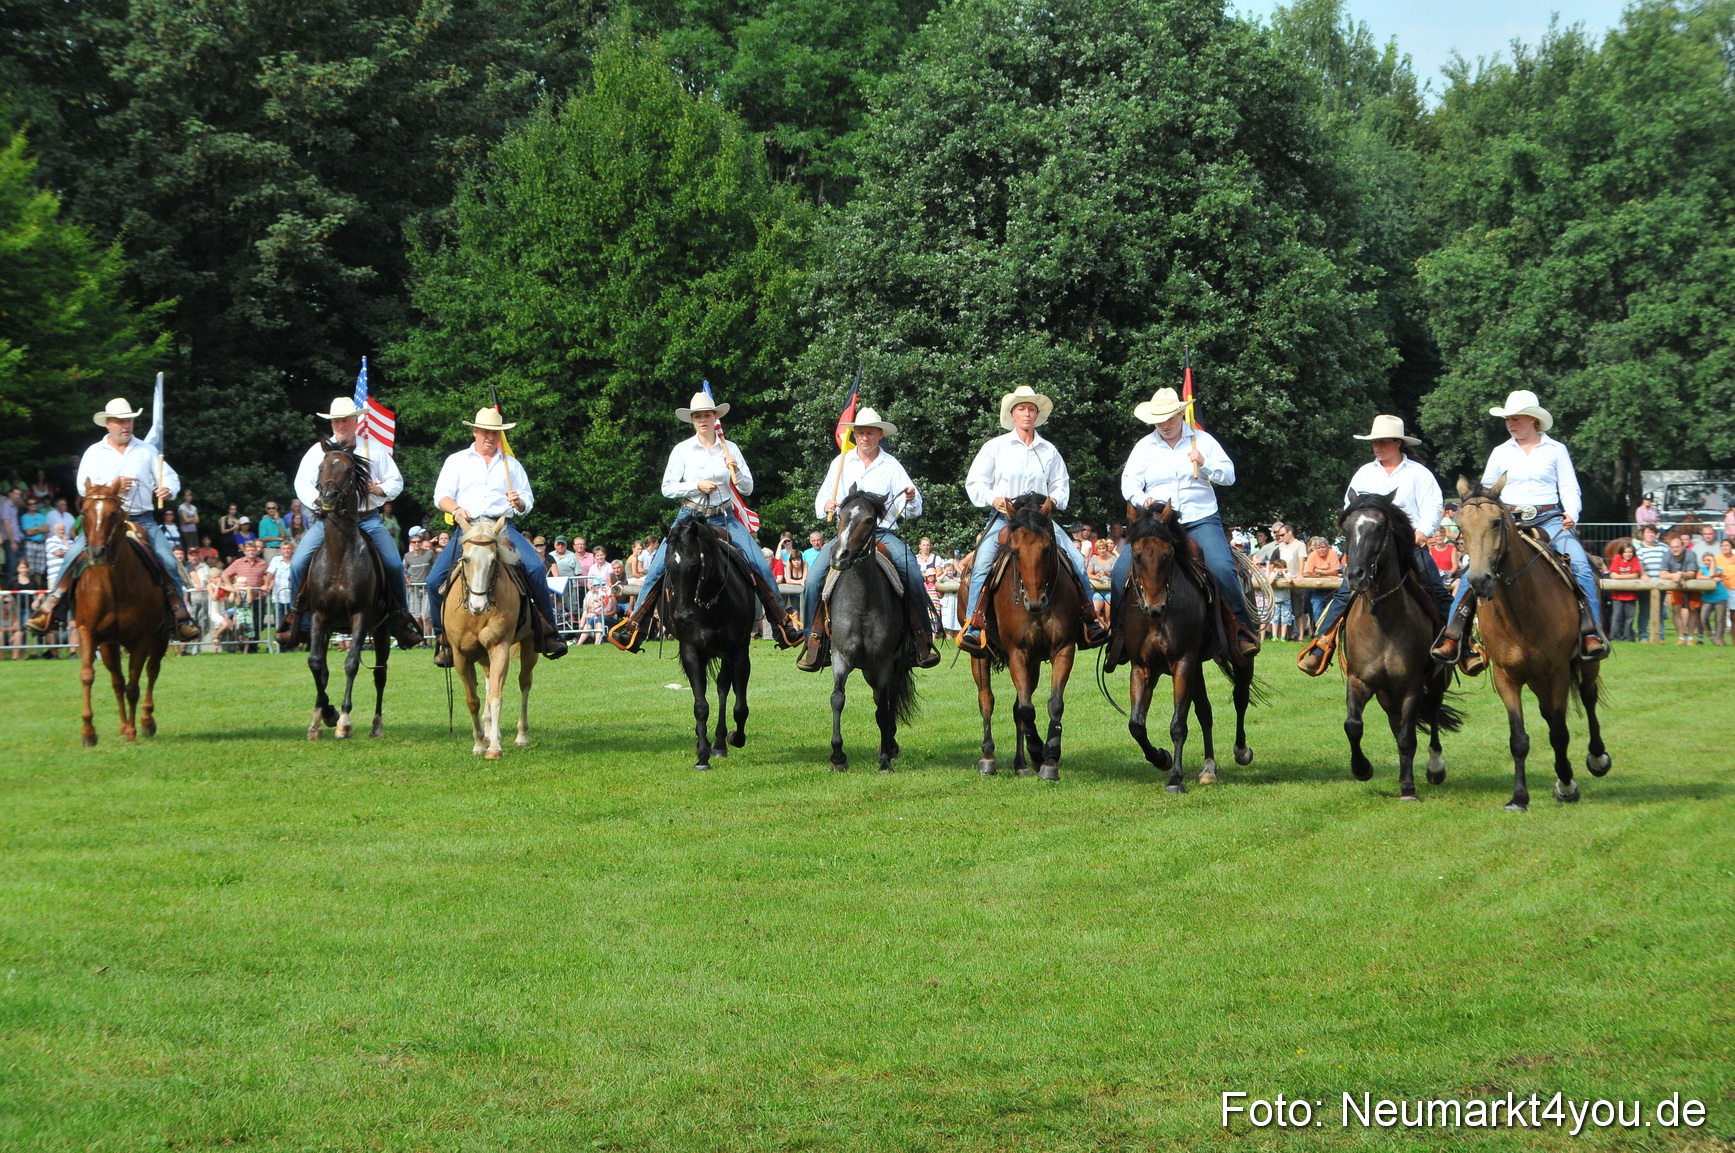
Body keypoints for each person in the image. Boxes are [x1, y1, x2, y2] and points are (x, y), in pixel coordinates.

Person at [609, 391, 802, 651]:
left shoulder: (729, 448)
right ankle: (635, 627)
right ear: (692, 420)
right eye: (697, 416)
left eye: (707, 415)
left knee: (760, 564)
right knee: (657, 567)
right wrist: (695, 485)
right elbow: (667, 488)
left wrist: (736, 472)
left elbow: (747, 488)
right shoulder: (682, 450)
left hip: (725, 516)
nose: (703, 420)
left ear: (715, 418)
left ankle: (782, 624)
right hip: (689, 517)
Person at [1431, 390, 1608, 666]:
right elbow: (1487, 491)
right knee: (1471, 572)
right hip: (1509, 522)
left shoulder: (1556, 449)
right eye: (1507, 420)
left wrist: (1572, 513)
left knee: (1583, 566)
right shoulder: (1500, 451)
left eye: (1515, 419)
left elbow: (1570, 487)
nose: (1510, 424)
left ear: (1532, 420)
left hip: (1550, 520)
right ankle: (1454, 638)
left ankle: (1591, 632)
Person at [26, 398, 201, 641]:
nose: (125, 425)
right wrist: (113, 487)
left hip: (143, 518)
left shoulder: (147, 450)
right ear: (108, 424)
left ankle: (179, 619)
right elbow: (82, 487)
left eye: (128, 420)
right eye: (120, 421)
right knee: (71, 555)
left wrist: (167, 490)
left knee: (169, 561)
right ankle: (51, 611)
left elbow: (170, 478)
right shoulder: (94, 453)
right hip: (104, 521)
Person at [1108, 386, 1259, 664]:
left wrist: (1204, 463)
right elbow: (1128, 483)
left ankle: (1240, 629)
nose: (1164, 424)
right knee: (1119, 572)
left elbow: (1229, 476)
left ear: (1180, 414)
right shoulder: (1144, 447)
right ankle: (1119, 634)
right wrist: (1143, 499)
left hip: (1199, 519)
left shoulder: (1202, 441)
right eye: (1159, 419)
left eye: (1169, 418)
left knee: (1223, 568)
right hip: (1157, 523)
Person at [958, 385, 1108, 655]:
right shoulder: (995, 447)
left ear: (1037, 415)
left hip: (1040, 518)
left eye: (1031, 409)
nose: (1026, 414)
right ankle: (974, 624)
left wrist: (1056, 501)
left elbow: (1062, 485)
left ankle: (1089, 620)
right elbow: (975, 483)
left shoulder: (1049, 450)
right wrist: (994, 499)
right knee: (981, 564)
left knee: (1075, 560)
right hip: (1007, 517)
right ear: (1012, 415)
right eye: (1021, 409)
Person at [1297, 415, 1449, 675]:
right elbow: (1350, 508)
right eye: (1374, 442)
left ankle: (1458, 642)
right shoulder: (1364, 473)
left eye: (1383, 442)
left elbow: (1433, 505)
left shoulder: (1418, 473)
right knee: (1345, 591)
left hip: (1409, 547)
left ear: (1398, 443)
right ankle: (1322, 644)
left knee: (1435, 587)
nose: (1377, 447)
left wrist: (1424, 530)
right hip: (1370, 550)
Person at [794, 406, 939, 670]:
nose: (865, 438)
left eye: (870, 433)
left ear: (880, 435)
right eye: (860, 433)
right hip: (848, 536)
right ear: (855, 435)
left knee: (915, 577)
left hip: (883, 534)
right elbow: (821, 501)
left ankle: (921, 640)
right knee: (813, 580)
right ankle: (813, 642)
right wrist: (826, 506)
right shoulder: (840, 463)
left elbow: (913, 510)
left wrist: (910, 497)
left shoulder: (892, 465)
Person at [274, 398, 422, 652]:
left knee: (394, 565)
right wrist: (318, 501)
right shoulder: (317, 451)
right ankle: (301, 621)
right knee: (298, 562)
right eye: (336, 420)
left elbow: (396, 482)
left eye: (345, 419)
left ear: (356, 420)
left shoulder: (374, 449)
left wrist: (378, 489)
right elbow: (302, 484)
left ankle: (401, 621)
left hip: (367, 519)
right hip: (329, 521)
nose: (340, 424)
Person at [425, 407, 569, 666]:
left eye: (495, 432)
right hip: (467, 529)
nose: (490, 437)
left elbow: (528, 500)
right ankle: (443, 638)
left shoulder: (511, 464)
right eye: (485, 431)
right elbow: (441, 496)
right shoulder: (456, 461)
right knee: (434, 579)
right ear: (475, 431)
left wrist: (519, 502)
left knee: (535, 568)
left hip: (502, 529)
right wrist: (456, 509)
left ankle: (548, 631)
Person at [1660, 533, 1700, 644]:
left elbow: (1692, 574)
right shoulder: (1667, 555)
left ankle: (1691, 638)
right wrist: (1675, 576)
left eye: (1677, 547)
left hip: (1691, 584)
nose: (1675, 549)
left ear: (1682, 546)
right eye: (1673, 547)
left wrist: (1680, 574)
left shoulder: (1691, 554)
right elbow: (1662, 574)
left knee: (1693, 609)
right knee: (1676, 609)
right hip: (1676, 584)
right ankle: (1681, 637)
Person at [1634, 523, 1668, 641]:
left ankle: (1660, 636)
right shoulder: (1639, 548)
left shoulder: (1663, 547)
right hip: (1646, 584)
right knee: (1644, 610)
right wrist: (1643, 574)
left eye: (1652, 532)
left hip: (1661, 584)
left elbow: (1668, 561)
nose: (1650, 535)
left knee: (1660, 612)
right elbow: (1639, 563)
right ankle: (1643, 635)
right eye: (1648, 532)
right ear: (1643, 535)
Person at [1300, 536, 1343, 628]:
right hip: (1317, 589)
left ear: (1328, 547)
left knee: (1332, 611)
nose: (1321, 550)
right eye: (1318, 548)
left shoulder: (1332, 553)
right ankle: (1319, 632)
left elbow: (1335, 571)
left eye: (1323, 547)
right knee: (1316, 611)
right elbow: (1308, 573)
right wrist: (1327, 573)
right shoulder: (1312, 555)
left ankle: (1331, 633)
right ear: (1315, 548)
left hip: (1331, 589)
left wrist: (1318, 571)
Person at [1607, 543, 1642, 642]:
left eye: (1630, 552)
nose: (1628, 554)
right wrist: (1627, 577)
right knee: (1617, 616)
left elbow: (1635, 575)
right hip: (1617, 595)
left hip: (1631, 595)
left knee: (1629, 617)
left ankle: (1627, 637)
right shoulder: (1617, 558)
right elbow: (1613, 574)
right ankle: (1615, 637)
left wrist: (1620, 577)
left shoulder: (1635, 559)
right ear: (1622, 553)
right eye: (1626, 552)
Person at [404, 527, 435, 636]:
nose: (417, 544)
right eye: (414, 542)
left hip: (426, 588)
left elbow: (435, 567)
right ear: (411, 544)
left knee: (426, 616)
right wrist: (407, 578)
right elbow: (404, 570)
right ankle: (421, 640)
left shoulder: (429, 554)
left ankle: (429, 640)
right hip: (414, 589)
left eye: (419, 542)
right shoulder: (407, 556)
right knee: (416, 617)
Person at [1705, 538, 1735, 645]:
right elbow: (1711, 573)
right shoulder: (1717, 559)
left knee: (1733, 616)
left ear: (1731, 546)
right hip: (1721, 590)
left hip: (1733, 589)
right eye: (1722, 546)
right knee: (1720, 616)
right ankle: (1719, 638)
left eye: (1727, 545)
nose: (1724, 548)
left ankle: (1733, 641)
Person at [176, 490, 200, 555]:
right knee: (188, 548)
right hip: (185, 531)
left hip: (193, 530)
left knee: (195, 547)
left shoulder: (193, 507)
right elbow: (186, 520)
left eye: (189, 495)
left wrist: (190, 519)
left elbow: (197, 520)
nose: (188, 497)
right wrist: (194, 518)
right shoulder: (181, 507)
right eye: (186, 495)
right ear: (184, 497)